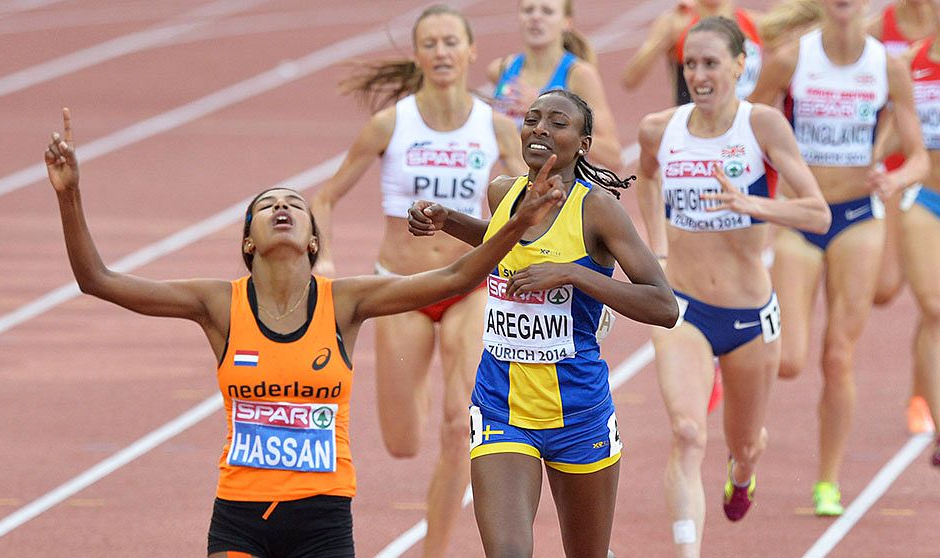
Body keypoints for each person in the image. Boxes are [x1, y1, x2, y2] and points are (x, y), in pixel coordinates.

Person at [44, 107, 564, 558]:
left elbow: (456, 277)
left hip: (323, 519)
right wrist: (70, 196)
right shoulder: (219, 304)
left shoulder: (343, 302)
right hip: (240, 514)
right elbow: (99, 281)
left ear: (315, 239)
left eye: (294, 204)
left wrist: (519, 224)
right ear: (248, 241)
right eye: (267, 206)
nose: (282, 209)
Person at [408, 89, 679, 557]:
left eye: (557, 122)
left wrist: (574, 273)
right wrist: (447, 219)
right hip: (501, 406)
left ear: (583, 142)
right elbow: (502, 243)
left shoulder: (597, 211)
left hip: (579, 411)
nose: (540, 128)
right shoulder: (502, 192)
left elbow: (664, 306)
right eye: (532, 119)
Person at [309, 5, 526, 556]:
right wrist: (325, 259)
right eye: (430, 43)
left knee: (460, 429)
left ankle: (434, 551)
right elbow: (325, 196)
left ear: (471, 51)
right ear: (417, 55)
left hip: (468, 287)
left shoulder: (495, 127)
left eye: (451, 42)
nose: (441, 52)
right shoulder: (392, 124)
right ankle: (427, 376)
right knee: (403, 442)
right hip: (401, 290)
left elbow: (532, 205)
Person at [636, 17, 830, 557]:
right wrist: (658, 248)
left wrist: (754, 204)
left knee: (743, 443)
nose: (698, 75)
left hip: (748, 317)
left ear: (740, 65)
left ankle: (743, 472)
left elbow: (816, 213)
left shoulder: (761, 126)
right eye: (690, 64)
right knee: (688, 433)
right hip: (682, 309)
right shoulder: (660, 128)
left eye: (710, 63)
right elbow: (647, 178)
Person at [749, 0, 928, 515]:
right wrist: (759, 196)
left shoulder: (887, 66)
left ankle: (827, 482)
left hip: (858, 220)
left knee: (837, 356)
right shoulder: (790, 59)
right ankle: (746, 438)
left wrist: (893, 177)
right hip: (802, 217)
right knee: (789, 359)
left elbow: (916, 156)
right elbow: (748, 129)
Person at [867, 0, 937, 434]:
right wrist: (870, 158)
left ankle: (922, 392)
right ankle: (924, 390)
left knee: (933, 310)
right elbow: (892, 114)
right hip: (913, 184)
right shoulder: (897, 43)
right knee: (894, 290)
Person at [881, 28, 940, 465]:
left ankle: (921, 391)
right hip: (925, 197)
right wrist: (873, 160)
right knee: (934, 307)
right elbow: (896, 130)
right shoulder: (909, 65)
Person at [487, 0, 623, 169]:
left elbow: (613, 156)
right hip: (516, 190)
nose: (535, 17)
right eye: (528, 10)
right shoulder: (502, 70)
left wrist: (543, 110)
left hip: (561, 191)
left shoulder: (579, 75)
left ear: (567, 22)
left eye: (547, 11)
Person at [622, 0, 764, 106]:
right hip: (695, 127)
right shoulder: (677, 22)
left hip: (743, 126)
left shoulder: (752, 22)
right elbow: (630, 79)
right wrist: (664, 38)